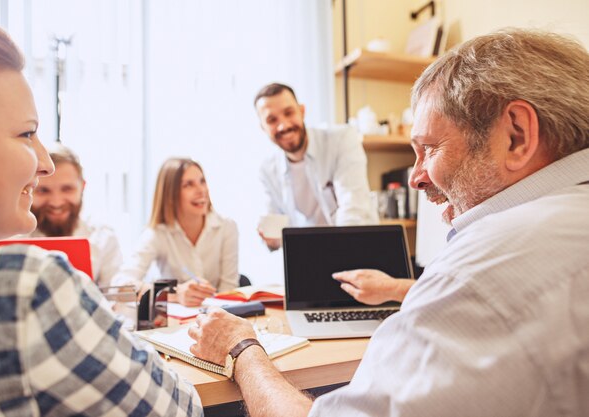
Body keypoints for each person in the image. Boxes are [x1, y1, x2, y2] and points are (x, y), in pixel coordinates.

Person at [189, 28, 589, 416]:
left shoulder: (478, 272)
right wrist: (400, 288)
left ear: (516, 136)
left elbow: (477, 288)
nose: (414, 178)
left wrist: (241, 349)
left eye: (429, 148)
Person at [0, 10, 201, 416]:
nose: (44, 164)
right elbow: (182, 409)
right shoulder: (23, 285)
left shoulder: (102, 236)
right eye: (25, 133)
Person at [254, 83, 378, 250]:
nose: (283, 125)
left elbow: (353, 210)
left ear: (302, 111)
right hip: (309, 254)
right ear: (263, 127)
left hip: (357, 247)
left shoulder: (341, 139)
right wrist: (271, 238)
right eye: (272, 120)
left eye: (288, 113)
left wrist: (344, 255)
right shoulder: (267, 170)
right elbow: (274, 225)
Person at [112, 158, 239, 306]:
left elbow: (229, 291)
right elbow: (120, 286)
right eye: (188, 185)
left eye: (202, 181)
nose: (201, 190)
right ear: (170, 195)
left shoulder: (226, 227)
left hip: (216, 316)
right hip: (176, 323)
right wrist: (173, 294)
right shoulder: (158, 234)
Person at [29, 143, 123, 288]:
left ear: (82, 187)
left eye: (67, 189)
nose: (56, 202)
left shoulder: (103, 237)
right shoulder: (12, 238)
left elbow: (117, 298)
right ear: (29, 190)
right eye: (43, 190)